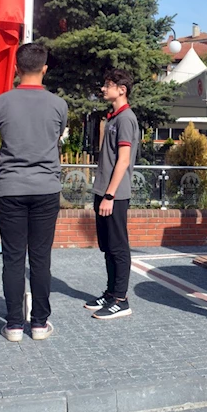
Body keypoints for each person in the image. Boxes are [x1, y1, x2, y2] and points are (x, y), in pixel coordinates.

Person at [0, 43, 68, 342]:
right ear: (44, 68)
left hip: (10, 189)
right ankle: (39, 324)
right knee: (41, 258)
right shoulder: (58, 105)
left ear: (16, 68)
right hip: (45, 189)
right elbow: (54, 140)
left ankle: (14, 324)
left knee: (13, 258)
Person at [83, 69, 140, 319]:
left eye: (108, 85)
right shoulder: (114, 118)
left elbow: (124, 159)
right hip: (104, 191)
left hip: (114, 195)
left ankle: (121, 299)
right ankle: (110, 293)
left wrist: (110, 195)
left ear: (121, 89)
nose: (103, 89)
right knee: (107, 246)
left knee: (118, 246)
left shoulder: (126, 118)